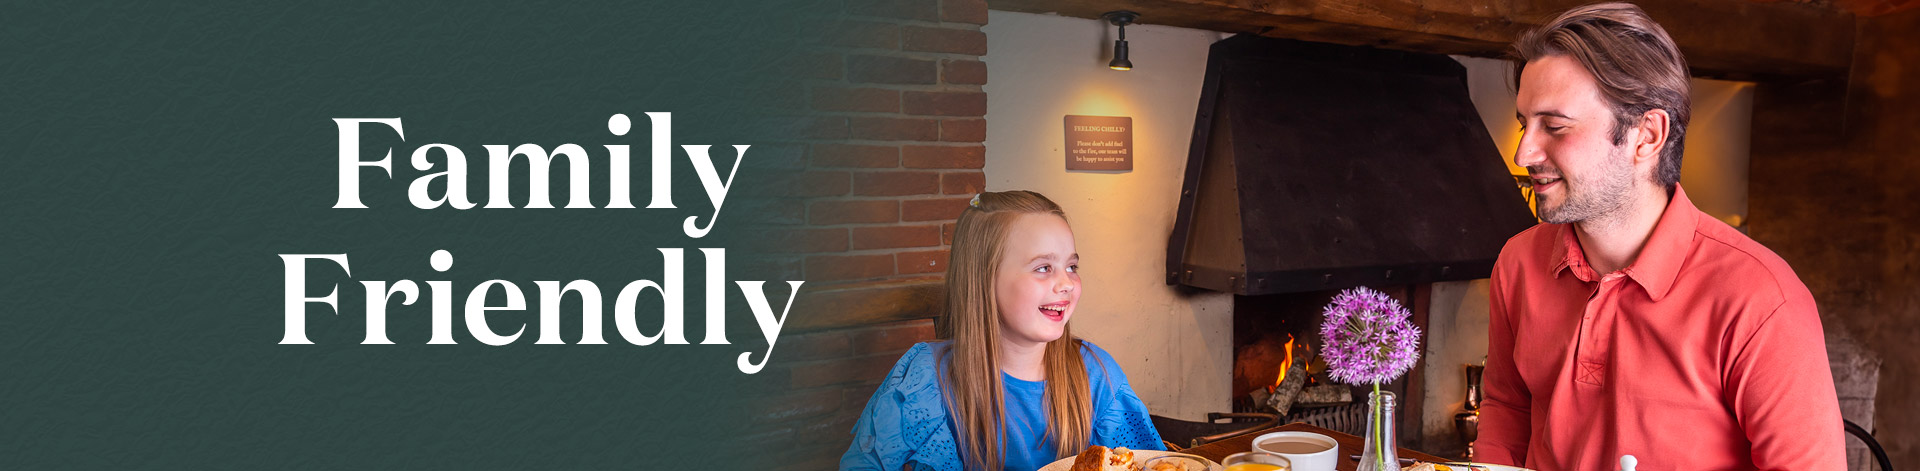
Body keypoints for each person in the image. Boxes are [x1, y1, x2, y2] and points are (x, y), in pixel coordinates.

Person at [1478, 3, 1845, 470]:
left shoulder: (1761, 297)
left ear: (1647, 135)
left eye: (1554, 126)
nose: (1523, 152)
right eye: (1523, 124)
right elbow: (1507, 410)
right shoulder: (1518, 262)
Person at [840, 190, 1164, 471]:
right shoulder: (927, 377)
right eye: (1043, 268)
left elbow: (1149, 461)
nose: (1066, 283)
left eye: (1071, 266)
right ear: (984, 280)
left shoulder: (1095, 374)